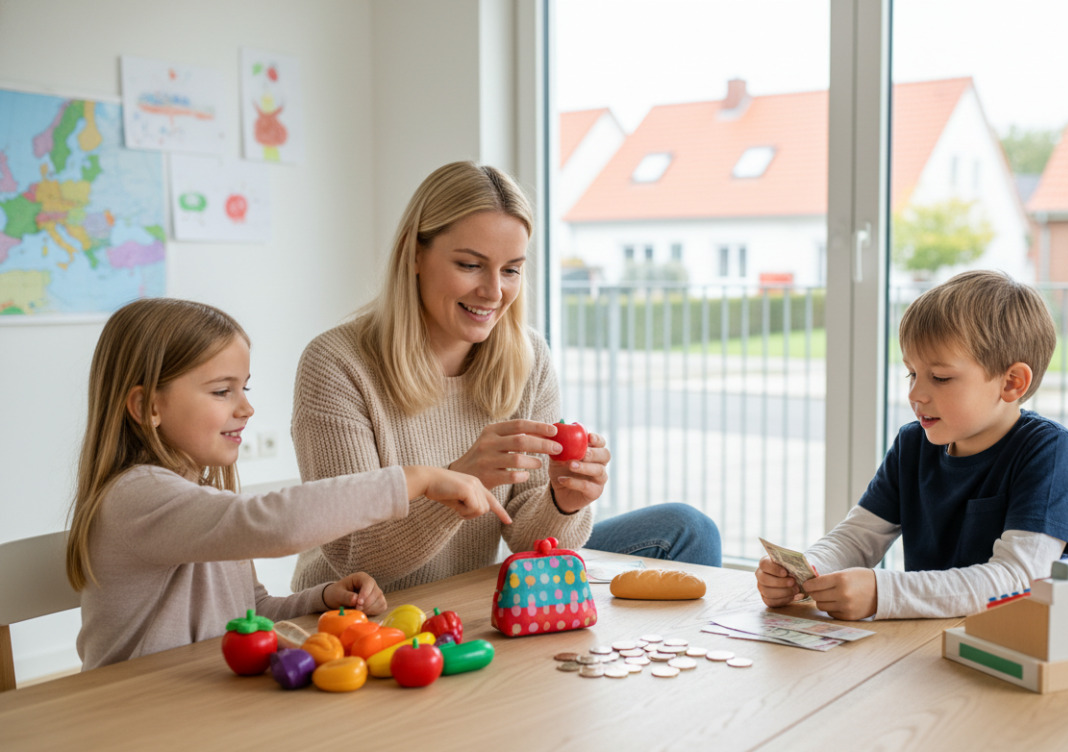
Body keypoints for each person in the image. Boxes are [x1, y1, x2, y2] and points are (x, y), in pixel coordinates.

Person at [290, 161, 720, 595]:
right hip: (359, 610)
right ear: (415, 254)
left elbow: (526, 539)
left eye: (511, 269)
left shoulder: (527, 356)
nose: (494, 292)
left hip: (470, 591)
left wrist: (562, 502)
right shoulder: (336, 364)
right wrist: (458, 480)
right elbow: (355, 555)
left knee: (688, 530)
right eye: (470, 265)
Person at [67, 298, 508, 670]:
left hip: (202, 710)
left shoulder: (198, 499)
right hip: (132, 724)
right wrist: (417, 479)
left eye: (245, 388)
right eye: (223, 391)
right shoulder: (135, 497)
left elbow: (252, 613)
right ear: (147, 406)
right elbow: (275, 525)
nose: (246, 408)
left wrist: (320, 598)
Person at [757, 270, 1068, 620]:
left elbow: (1018, 580)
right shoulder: (913, 444)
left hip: (1011, 649)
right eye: (911, 374)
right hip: (928, 644)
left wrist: (883, 593)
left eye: (940, 378)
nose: (914, 394)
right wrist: (806, 571)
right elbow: (856, 539)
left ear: (1012, 382)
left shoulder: (1049, 452)